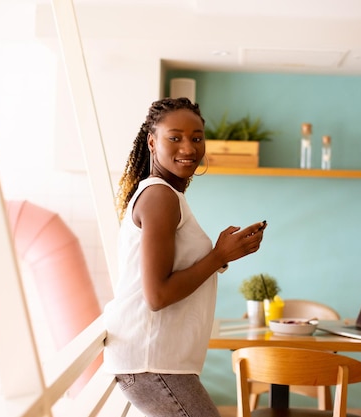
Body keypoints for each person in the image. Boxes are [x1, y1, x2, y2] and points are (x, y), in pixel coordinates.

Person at [103, 97, 266, 417]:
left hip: (156, 361)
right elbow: (157, 295)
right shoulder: (160, 197)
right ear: (152, 141)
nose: (188, 148)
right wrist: (219, 254)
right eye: (174, 137)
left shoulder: (166, 194)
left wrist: (222, 255)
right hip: (152, 362)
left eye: (196, 138)